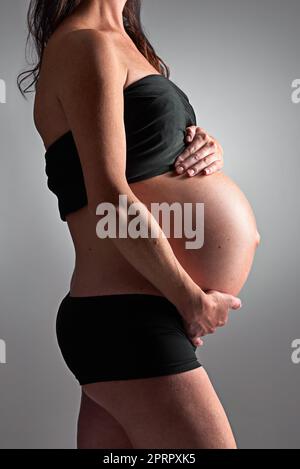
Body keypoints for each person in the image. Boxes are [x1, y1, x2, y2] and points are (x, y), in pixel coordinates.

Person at [18, 0, 260, 449]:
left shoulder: (127, 44)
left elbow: (146, 155)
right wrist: (190, 300)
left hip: (133, 312)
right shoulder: (83, 43)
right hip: (125, 316)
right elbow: (110, 199)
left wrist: (202, 144)